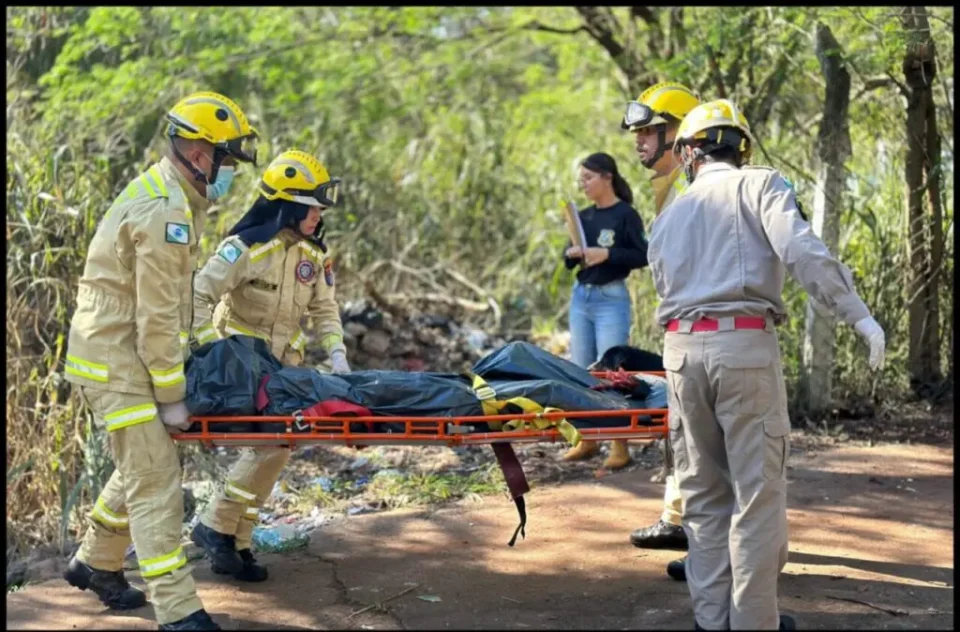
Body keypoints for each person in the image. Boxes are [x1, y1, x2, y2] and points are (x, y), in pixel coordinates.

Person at [648, 98, 886, 630]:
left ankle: (711, 623)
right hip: (744, 348)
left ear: (689, 152)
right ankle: (754, 623)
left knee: (703, 494)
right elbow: (801, 252)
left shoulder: (668, 216)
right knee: (755, 495)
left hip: (681, 353)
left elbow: (664, 285)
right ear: (740, 147)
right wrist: (859, 316)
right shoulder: (761, 185)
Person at [62, 91, 259, 631]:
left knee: (145, 463)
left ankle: (96, 563)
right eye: (226, 161)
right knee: (154, 480)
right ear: (200, 154)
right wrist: (172, 398)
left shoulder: (170, 195)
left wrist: (194, 355)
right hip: (116, 360)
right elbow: (153, 318)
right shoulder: (166, 210)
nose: (228, 174)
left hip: (118, 350)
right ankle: (178, 612)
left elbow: (171, 305)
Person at [189, 150, 349, 582]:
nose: (318, 215)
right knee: (267, 448)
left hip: (283, 369)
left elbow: (325, 312)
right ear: (288, 205)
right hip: (242, 373)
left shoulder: (313, 257)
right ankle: (213, 526)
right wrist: (215, 354)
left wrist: (337, 355)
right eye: (312, 207)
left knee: (277, 451)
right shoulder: (244, 249)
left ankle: (236, 542)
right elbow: (197, 296)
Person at [619, 83, 701, 579]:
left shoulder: (698, 189)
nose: (639, 141)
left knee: (708, 447)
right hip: (684, 333)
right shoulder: (670, 186)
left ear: (679, 133)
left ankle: (713, 552)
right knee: (682, 433)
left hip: (709, 335)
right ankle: (678, 519)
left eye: (649, 131)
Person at [561, 152, 647, 470]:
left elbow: (642, 254)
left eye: (588, 178)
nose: (583, 184)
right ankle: (588, 437)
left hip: (611, 299)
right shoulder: (583, 216)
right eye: (580, 179)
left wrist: (607, 254)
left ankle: (619, 444)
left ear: (607, 177)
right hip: (582, 297)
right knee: (581, 370)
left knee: (611, 369)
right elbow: (568, 259)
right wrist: (573, 253)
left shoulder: (626, 215)